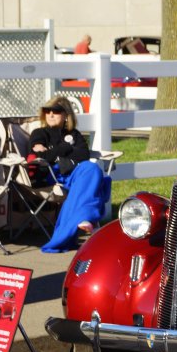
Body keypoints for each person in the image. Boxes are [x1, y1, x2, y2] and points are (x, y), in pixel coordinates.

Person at [29, 96, 110, 253]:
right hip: (53, 175)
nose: (51, 114)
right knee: (91, 178)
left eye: (56, 111)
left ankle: (84, 218)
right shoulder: (39, 133)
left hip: (76, 174)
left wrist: (56, 152)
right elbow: (42, 156)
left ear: (66, 115)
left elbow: (84, 155)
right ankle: (84, 217)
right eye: (47, 111)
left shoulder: (75, 134)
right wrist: (66, 149)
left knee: (92, 168)